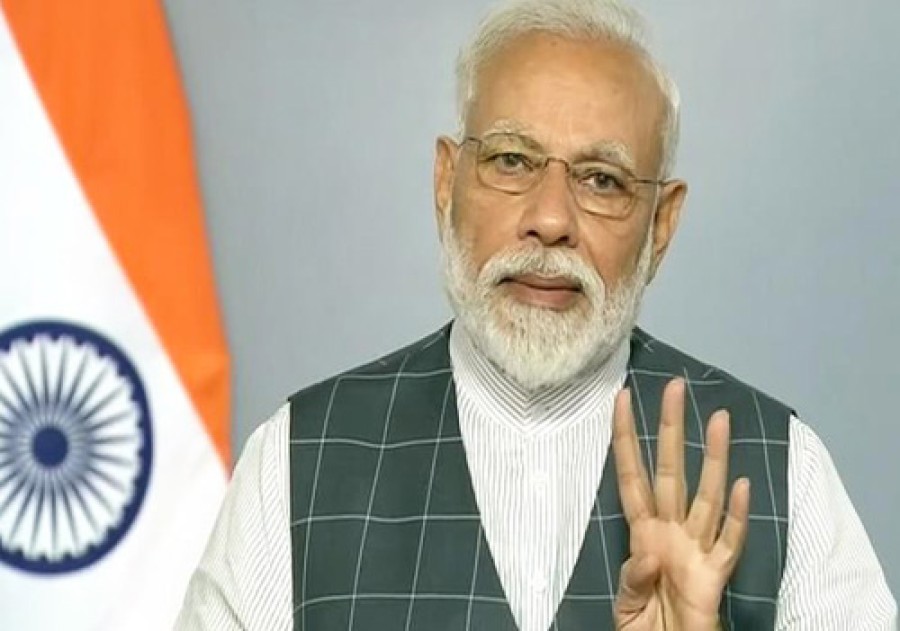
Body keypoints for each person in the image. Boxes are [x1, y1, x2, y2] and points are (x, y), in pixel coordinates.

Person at [176, 0, 896, 629]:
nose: (550, 220)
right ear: (446, 182)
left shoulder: (782, 468)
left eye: (602, 180)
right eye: (512, 161)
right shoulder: (298, 460)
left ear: (662, 225)